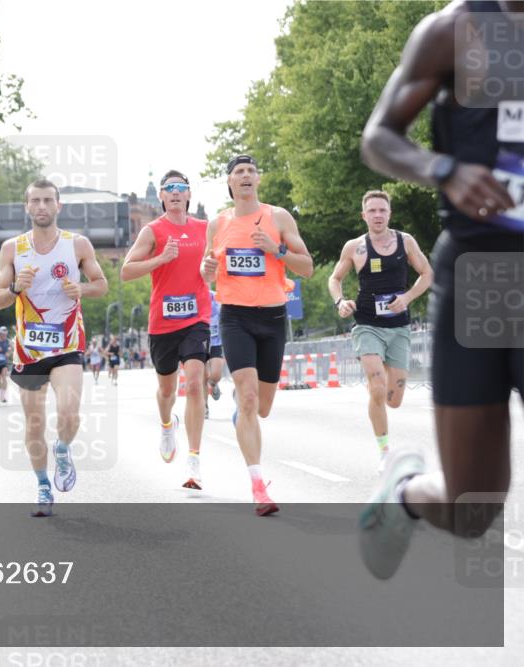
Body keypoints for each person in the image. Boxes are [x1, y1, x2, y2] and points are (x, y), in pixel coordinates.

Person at [358, 1, 524, 579]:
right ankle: (405, 493)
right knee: (470, 507)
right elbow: (378, 137)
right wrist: (444, 171)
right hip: (478, 276)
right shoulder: (453, 30)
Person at [201, 154, 314, 515]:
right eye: (239, 172)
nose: (246, 175)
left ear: (258, 180)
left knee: (262, 407)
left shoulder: (279, 217)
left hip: (272, 317)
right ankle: (258, 486)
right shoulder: (217, 224)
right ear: (230, 182)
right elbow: (207, 272)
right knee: (249, 398)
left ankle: (244, 403)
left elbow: (307, 267)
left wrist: (276, 250)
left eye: (251, 171)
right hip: (235, 317)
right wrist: (206, 270)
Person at [0, 177, 108, 516]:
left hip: (67, 343)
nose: (41, 206)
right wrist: (15, 287)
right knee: (34, 423)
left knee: (69, 414)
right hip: (29, 350)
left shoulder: (77, 245)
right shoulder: (12, 249)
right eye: (35, 201)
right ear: (27, 207)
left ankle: (63, 448)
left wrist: (81, 290)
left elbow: (101, 284)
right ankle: (43, 485)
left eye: (47, 200)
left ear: (59, 205)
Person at [328, 190, 433, 473]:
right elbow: (335, 278)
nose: (377, 215)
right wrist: (340, 302)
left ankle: (379, 388)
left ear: (389, 214)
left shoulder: (405, 241)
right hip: (367, 325)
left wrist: (407, 298)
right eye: (372, 211)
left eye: (382, 210)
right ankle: (385, 452)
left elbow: (427, 274)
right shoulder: (355, 247)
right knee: (377, 388)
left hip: (398, 327)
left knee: (394, 400)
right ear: (364, 215)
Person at [122, 170, 212, 489]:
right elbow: (126, 271)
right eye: (169, 188)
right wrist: (160, 259)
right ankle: (165, 424)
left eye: (180, 188)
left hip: (197, 318)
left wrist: (213, 270)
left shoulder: (205, 228)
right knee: (166, 391)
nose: (175, 193)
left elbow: (219, 264)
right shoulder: (153, 230)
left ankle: (194, 460)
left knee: (196, 384)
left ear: (188, 195)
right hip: (162, 322)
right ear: (161, 196)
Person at [204, 290, 225, 420]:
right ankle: (204, 407)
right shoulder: (191, 295)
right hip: (198, 341)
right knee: (201, 378)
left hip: (216, 341)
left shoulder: (216, 297)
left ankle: (212, 384)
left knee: (216, 375)